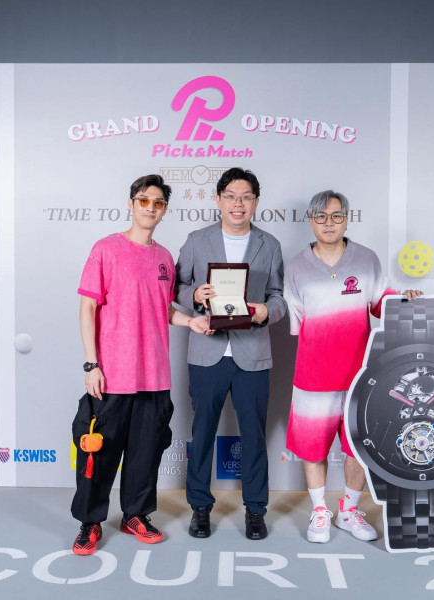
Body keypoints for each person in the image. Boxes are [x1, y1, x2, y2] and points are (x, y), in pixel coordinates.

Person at [71, 174, 211, 556]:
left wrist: (190, 321)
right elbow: (87, 307)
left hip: (154, 376)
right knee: (98, 453)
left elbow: (162, 309)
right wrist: (91, 364)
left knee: (146, 452)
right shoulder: (106, 249)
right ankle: (90, 522)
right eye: (144, 201)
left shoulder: (164, 258)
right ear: (131, 204)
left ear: (164, 210)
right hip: (113, 374)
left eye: (158, 203)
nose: (150, 208)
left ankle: (135, 515)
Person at [284, 189, 422, 544]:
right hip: (314, 376)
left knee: (358, 445)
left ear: (347, 220)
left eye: (336, 216)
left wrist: (404, 300)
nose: (328, 223)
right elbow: (299, 324)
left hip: (361, 375)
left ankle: (348, 511)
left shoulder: (366, 259)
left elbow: (381, 304)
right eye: (320, 216)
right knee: (313, 446)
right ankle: (319, 511)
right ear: (311, 221)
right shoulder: (296, 267)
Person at [175, 167, 286, 540]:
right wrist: (194, 295)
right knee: (202, 432)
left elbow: (278, 296)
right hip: (207, 351)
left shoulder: (269, 244)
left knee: (254, 435)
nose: (238, 203)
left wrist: (266, 311)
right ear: (218, 200)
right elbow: (177, 287)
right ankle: (200, 507)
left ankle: (255, 510)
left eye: (246, 197)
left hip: (252, 352)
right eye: (231, 196)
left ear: (256, 202)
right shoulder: (197, 240)